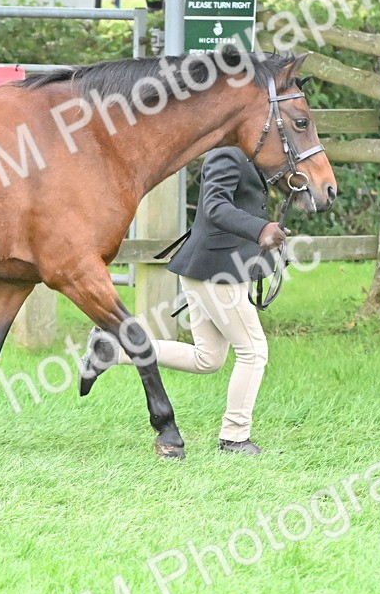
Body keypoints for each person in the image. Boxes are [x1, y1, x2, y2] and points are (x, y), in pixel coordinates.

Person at [78, 146, 287, 454]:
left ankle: (114, 351)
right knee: (253, 351)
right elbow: (215, 206)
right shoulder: (225, 154)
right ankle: (234, 436)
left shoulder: (248, 154)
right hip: (215, 271)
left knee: (208, 358)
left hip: (214, 269)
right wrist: (261, 229)